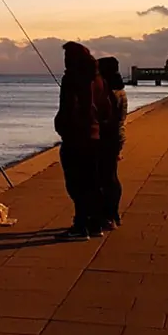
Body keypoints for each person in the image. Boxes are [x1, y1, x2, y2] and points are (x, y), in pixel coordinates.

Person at [53, 41, 112, 241]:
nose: (64, 61)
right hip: (95, 137)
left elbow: (68, 108)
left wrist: (61, 125)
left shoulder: (72, 79)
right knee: (92, 182)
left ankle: (80, 226)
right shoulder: (99, 80)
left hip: (76, 139)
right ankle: (94, 224)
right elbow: (107, 110)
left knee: (76, 184)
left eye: (66, 57)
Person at [97, 56, 128, 230]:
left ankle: (109, 215)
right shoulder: (120, 90)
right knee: (110, 177)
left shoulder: (108, 92)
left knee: (106, 178)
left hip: (108, 137)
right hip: (117, 135)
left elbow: (104, 117)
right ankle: (113, 214)